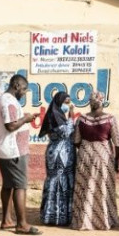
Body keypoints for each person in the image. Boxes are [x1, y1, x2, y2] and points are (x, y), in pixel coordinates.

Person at [0, 74, 41, 235]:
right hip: (13, 150)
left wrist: (24, 117)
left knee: (8, 185)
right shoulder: (8, 102)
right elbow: (11, 126)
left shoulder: (7, 100)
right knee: (20, 186)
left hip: (7, 149)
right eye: (23, 89)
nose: (24, 93)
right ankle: (21, 224)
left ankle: (7, 220)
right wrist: (26, 119)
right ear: (16, 85)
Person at [71, 92, 119, 231]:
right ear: (102, 102)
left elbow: (76, 140)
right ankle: (103, 220)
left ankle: (84, 220)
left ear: (89, 102)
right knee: (102, 187)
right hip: (103, 156)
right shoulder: (110, 119)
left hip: (85, 155)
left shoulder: (81, 119)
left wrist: (86, 147)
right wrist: (116, 159)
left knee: (85, 186)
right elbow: (118, 142)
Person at [39, 92, 76, 227]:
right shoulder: (55, 114)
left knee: (62, 181)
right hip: (59, 154)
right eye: (67, 101)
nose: (69, 103)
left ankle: (57, 215)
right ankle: (55, 216)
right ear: (60, 101)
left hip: (60, 152)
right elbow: (65, 132)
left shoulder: (57, 114)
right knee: (58, 181)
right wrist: (72, 115)